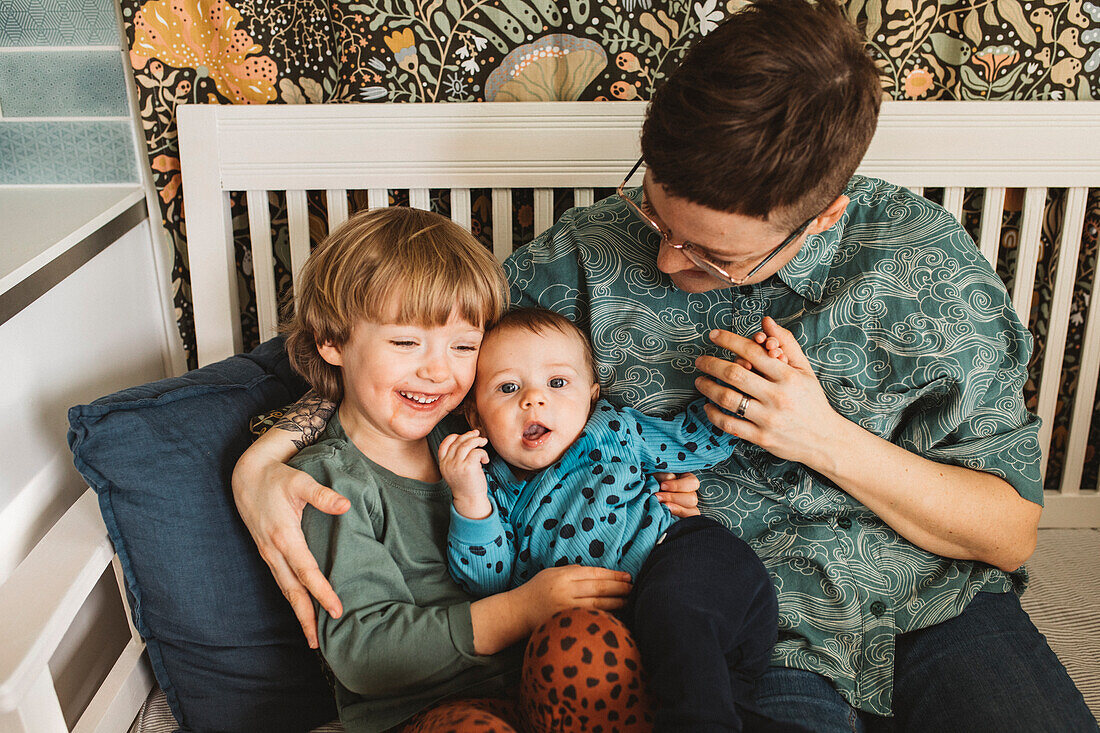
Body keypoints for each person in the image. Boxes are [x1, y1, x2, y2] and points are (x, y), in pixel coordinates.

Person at [233, 0, 1098, 729]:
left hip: (938, 601)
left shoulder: (925, 267)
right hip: (745, 626)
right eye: (658, 214)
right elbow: (407, 351)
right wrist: (267, 455)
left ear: (823, 217)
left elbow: (1009, 526)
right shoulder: (583, 258)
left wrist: (824, 438)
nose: (669, 261)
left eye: (712, 256)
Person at [281, 207, 672, 732]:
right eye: (405, 342)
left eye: (464, 346)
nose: (439, 370)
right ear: (331, 342)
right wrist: (521, 610)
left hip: (538, 690)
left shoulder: (474, 431)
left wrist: (648, 495)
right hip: (422, 712)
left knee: (589, 642)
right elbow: (364, 654)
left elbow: (568, 485)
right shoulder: (330, 481)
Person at [440, 307, 780, 730]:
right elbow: (487, 583)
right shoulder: (494, 488)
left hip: (682, 562)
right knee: (677, 690)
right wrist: (469, 497)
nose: (533, 398)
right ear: (475, 417)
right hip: (624, 638)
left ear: (592, 395)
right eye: (508, 387)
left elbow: (694, 440)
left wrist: (744, 382)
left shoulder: (614, 430)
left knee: (672, 614)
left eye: (558, 382)